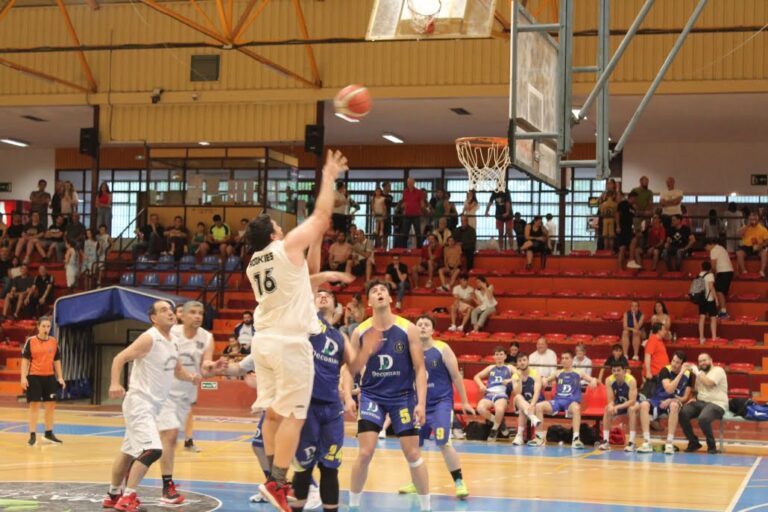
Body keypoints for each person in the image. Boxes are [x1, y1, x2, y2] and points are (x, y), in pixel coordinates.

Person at [244, 150, 348, 509]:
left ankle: (271, 479)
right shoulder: (283, 247)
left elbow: (304, 277)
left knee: (273, 413)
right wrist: (329, 175)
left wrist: (320, 266)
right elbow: (321, 216)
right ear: (273, 231)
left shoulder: (254, 264)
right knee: (294, 415)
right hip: (289, 345)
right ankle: (277, 481)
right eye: (278, 224)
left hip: (264, 342)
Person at [103, 300, 201, 511]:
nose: (170, 313)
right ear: (153, 318)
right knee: (153, 449)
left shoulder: (173, 340)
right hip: (139, 402)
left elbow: (177, 370)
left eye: (170, 309)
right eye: (163, 310)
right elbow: (119, 358)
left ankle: (112, 494)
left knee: (128, 451)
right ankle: (128, 496)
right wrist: (114, 382)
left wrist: (192, 377)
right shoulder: (149, 338)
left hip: (153, 406)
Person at [346, 280, 430, 512]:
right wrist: (347, 396)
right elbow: (349, 368)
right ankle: (353, 506)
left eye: (383, 290)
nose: (379, 292)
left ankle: (426, 507)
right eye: (374, 291)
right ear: (369, 301)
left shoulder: (408, 329)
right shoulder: (360, 331)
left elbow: (420, 368)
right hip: (372, 395)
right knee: (364, 453)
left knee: (412, 453)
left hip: (402, 396)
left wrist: (421, 403)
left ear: (390, 298)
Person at [286, 285, 358, 512]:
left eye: (329, 295)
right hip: (306, 405)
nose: (323, 296)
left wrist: (347, 395)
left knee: (330, 468)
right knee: (304, 467)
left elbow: (352, 366)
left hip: (332, 410)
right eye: (319, 295)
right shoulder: (305, 322)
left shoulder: (339, 336)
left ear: (337, 307)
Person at [399, 315, 474, 499]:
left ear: (433, 330)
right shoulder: (409, 351)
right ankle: (416, 482)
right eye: (420, 325)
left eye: (427, 325)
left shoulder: (442, 348)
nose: (423, 327)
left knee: (443, 442)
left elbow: (456, 376)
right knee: (414, 445)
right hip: (419, 405)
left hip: (441, 403)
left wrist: (464, 401)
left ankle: (459, 482)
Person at [156, 301, 214, 504]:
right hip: (163, 392)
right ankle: (167, 486)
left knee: (164, 441)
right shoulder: (172, 333)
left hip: (185, 396)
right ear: (183, 315)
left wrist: (212, 366)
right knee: (169, 436)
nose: (198, 316)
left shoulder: (207, 337)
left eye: (201, 313)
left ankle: (133, 471)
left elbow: (206, 367)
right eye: (193, 312)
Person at [528, 351, 597, 448]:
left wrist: (593, 380)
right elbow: (547, 379)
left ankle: (576, 439)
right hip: (558, 401)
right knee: (539, 406)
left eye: (567, 358)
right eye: (562, 358)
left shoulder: (578, 372)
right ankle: (539, 437)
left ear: (572, 360)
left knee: (576, 408)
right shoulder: (557, 373)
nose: (564, 360)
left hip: (570, 402)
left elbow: (592, 379)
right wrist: (544, 380)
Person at [633, 350, 692, 454]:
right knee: (644, 404)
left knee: (674, 405)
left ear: (682, 364)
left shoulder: (688, 375)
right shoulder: (665, 370)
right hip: (659, 399)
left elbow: (685, 397)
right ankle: (647, 442)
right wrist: (680, 374)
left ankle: (669, 443)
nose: (674, 364)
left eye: (678, 362)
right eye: (673, 361)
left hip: (673, 401)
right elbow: (669, 389)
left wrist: (673, 399)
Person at [20, 316, 65, 446]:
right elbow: (25, 361)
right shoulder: (31, 341)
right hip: (34, 377)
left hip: (49, 377)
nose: (46, 329)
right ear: (38, 327)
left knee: (50, 405)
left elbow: (57, 361)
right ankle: (32, 435)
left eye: (48, 326)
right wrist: (23, 377)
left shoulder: (53, 341)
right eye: (44, 326)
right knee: (34, 405)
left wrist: (60, 377)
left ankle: (48, 434)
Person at [680, 353, 729, 454]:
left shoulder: (718, 370)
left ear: (711, 360)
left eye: (704, 360)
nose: (702, 363)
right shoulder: (700, 374)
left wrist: (697, 372)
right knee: (682, 413)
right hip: (701, 402)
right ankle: (693, 442)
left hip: (717, 403)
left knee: (703, 419)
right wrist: (694, 398)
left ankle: (712, 447)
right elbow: (698, 390)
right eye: (700, 361)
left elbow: (708, 383)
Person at [473, 346, 514, 441]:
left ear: (505, 356)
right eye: (497, 354)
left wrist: (510, 380)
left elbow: (518, 375)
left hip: (501, 394)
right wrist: (481, 385)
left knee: (499, 410)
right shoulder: (490, 367)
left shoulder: (509, 367)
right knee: (480, 408)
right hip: (489, 394)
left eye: (501, 354)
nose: (499, 356)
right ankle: (500, 423)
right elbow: (476, 377)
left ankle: (495, 429)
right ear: (494, 357)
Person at [599, 361, 638, 451]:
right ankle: (606, 441)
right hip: (619, 403)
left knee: (631, 409)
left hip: (634, 403)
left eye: (618, 370)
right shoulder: (609, 380)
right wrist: (611, 405)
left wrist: (617, 407)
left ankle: (631, 443)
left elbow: (632, 401)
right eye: (614, 370)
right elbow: (611, 399)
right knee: (607, 409)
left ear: (624, 371)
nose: (616, 373)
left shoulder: (631, 380)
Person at [509, 353, 543, 446]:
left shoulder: (535, 374)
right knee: (518, 397)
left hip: (534, 402)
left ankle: (519, 436)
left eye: (524, 360)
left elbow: (537, 392)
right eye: (519, 361)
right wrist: (519, 378)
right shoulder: (515, 376)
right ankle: (532, 417)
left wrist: (532, 405)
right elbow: (518, 392)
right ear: (517, 363)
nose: (522, 362)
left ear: (528, 361)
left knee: (522, 409)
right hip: (521, 401)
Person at [706, 239, 733, 319]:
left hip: (723, 272)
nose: (706, 250)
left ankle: (723, 312)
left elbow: (713, 267)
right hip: (729, 272)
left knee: (719, 291)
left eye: (706, 248)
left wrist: (709, 275)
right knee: (722, 292)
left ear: (709, 244)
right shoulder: (721, 248)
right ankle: (722, 311)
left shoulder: (713, 250)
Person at [735, 212, 768, 277]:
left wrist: (760, 246)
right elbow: (738, 234)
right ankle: (744, 271)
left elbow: (767, 241)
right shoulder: (745, 227)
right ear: (748, 219)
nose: (753, 220)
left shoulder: (763, 229)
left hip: (759, 246)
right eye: (751, 218)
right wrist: (747, 226)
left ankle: (762, 271)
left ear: (758, 219)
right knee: (739, 253)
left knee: (764, 252)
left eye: (755, 218)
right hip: (747, 247)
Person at [399, 177, 426, 248]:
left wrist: (424, 210)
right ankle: (403, 249)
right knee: (405, 233)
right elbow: (404, 202)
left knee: (418, 233)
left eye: (411, 182)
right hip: (407, 215)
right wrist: (403, 206)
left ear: (414, 183)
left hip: (416, 215)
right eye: (408, 182)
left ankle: (419, 249)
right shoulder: (405, 191)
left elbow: (422, 203)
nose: (409, 184)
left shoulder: (419, 192)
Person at [696, 261, 719, 342]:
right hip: (710, 299)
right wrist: (716, 298)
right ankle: (714, 337)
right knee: (713, 318)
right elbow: (711, 287)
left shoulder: (699, 275)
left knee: (702, 318)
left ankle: (701, 337)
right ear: (710, 268)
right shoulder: (710, 275)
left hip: (701, 299)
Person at [616, 191, 637, 269]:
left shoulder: (633, 208)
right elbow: (617, 214)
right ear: (632, 197)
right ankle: (620, 268)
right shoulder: (623, 204)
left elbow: (632, 219)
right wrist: (618, 226)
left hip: (629, 229)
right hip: (622, 228)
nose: (636, 200)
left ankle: (631, 260)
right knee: (622, 248)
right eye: (636, 199)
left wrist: (634, 228)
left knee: (634, 239)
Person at [599, 186, 618, 251]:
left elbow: (601, 213)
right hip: (612, 220)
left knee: (605, 237)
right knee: (611, 237)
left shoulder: (603, 204)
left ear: (606, 196)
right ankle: (611, 251)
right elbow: (616, 213)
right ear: (613, 196)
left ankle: (605, 251)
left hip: (605, 220)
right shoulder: (615, 204)